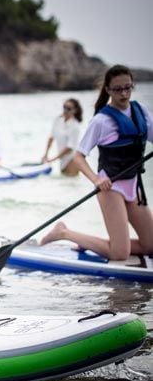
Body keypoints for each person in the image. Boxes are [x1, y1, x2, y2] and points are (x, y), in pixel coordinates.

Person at [40, 64, 153, 260]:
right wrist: (95, 179)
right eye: (118, 89)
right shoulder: (101, 120)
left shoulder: (140, 111)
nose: (124, 93)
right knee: (120, 254)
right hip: (110, 188)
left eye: (128, 87)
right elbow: (78, 156)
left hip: (133, 186)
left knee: (150, 245)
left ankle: (101, 242)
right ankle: (63, 233)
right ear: (108, 90)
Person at [41, 98, 83, 176]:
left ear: (75, 110)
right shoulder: (58, 120)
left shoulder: (75, 126)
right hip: (62, 159)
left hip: (72, 159)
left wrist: (52, 159)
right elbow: (51, 138)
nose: (65, 110)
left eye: (69, 108)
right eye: (64, 107)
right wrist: (45, 154)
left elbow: (69, 148)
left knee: (70, 184)